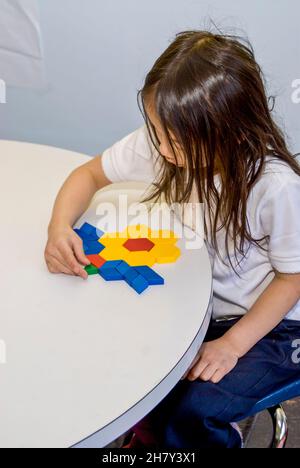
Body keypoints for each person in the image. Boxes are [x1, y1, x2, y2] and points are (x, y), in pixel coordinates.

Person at [45, 30, 300, 448]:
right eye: (158, 133)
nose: (162, 150)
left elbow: (292, 280)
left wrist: (232, 345)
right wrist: (59, 227)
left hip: (280, 326)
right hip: (207, 307)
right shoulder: (166, 144)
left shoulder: (276, 187)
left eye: (175, 142)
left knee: (193, 408)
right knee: (140, 373)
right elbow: (88, 174)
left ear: (231, 133)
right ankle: (156, 441)